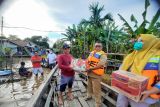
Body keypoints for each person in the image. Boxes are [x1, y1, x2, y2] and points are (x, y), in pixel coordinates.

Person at [116, 34, 160, 107]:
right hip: (125, 90)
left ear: (150, 42)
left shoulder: (157, 57)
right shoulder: (132, 55)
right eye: (138, 41)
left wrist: (150, 91)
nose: (138, 43)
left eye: (141, 41)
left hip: (144, 96)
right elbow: (122, 68)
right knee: (120, 104)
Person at [85, 41, 107, 107]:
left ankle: (98, 103)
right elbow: (87, 60)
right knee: (89, 86)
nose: (97, 47)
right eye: (96, 46)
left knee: (96, 89)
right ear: (94, 47)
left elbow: (100, 65)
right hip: (89, 73)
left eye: (99, 46)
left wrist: (91, 68)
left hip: (96, 75)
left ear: (101, 47)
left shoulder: (103, 55)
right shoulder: (92, 53)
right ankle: (89, 96)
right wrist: (85, 67)